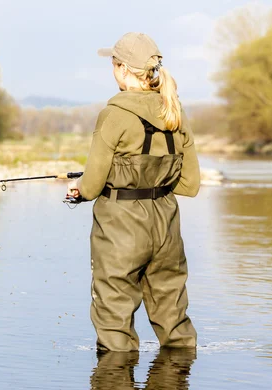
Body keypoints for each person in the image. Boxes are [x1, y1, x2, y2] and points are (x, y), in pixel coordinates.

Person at [67, 32, 200, 352]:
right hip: (166, 225)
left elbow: (93, 184)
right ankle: (177, 382)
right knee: (174, 319)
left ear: (124, 69)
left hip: (121, 227)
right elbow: (190, 185)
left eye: (113, 65)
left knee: (114, 321)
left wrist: (78, 189)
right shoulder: (174, 111)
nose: (112, 71)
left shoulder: (114, 114)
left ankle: (114, 383)